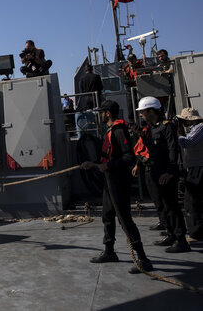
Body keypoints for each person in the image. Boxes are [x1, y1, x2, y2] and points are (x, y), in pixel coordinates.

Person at [82, 100, 152, 274]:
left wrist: (110, 166)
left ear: (108, 113)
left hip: (118, 181)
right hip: (109, 181)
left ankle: (143, 259)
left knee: (124, 219)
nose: (100, 114)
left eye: (102, 112)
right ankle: (109, 251)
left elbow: (129, 157)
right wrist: (92, 164)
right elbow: (108, 158)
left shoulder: (119, 131)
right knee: (107, 215)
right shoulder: (109, 130)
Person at [132, 97, 190, 253]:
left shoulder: (167, 127)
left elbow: (173, 150)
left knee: (172, 206)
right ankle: (171, 234)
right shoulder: (152, 129)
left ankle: (181, 239)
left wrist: (169, 172)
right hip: (156, 172)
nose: (141, 115)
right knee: (163, 205)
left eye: (143, 112)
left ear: (151, 111)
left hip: (166, 173)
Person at [176, 107, 203, 241]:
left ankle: (196, 232)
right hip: (195, 168)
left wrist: (179, 133)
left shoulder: (199, 128)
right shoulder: (196, 129)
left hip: (198, 168)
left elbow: (187, 142)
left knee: (192, 201)